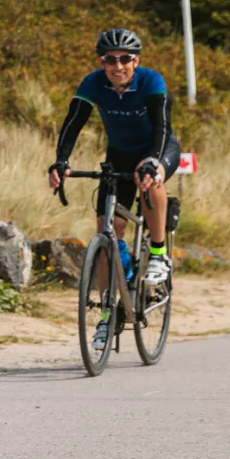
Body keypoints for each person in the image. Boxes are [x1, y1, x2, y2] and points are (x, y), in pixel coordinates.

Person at [47, 28, 180, 349]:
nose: (117, 65)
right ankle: (107, 315)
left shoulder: (150, 81)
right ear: (101, 61)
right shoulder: (93, 83)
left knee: (152, 178)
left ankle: (159, 253)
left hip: (158, 147)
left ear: (136, 60)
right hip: (118, 154)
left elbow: (162, 124)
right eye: (110, 59)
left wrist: (152, 161)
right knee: (107, 231)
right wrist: (61, 160)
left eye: (124, 59)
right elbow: (73, 121)